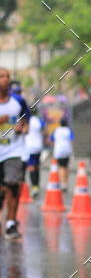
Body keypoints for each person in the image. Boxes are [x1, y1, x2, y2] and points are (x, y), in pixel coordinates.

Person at [0, 67, 30, 239]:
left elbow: (26, 123)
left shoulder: (18, 101)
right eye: (1, 76)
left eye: (7, 77)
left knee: (13, 185)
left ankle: (11, 224)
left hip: (14, 150)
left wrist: (22, 128)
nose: (5, 79)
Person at [23, 105, 45, 197]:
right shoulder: (39, 121)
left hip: (29, 147)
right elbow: (45, 131)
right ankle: (36, 186)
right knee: (36, 166)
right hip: (38, 146)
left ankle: (34, 187)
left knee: (31, 167)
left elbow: (23, 131)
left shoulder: (26, 121)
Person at [51, 116, 74, 192]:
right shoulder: (68, 130)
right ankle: (66, 183)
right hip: (67, 150)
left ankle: (63, 183)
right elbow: (72, 139)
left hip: (59, 151)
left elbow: (52, 139)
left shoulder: (56, 130)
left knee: (61, 167)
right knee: (66, 166)